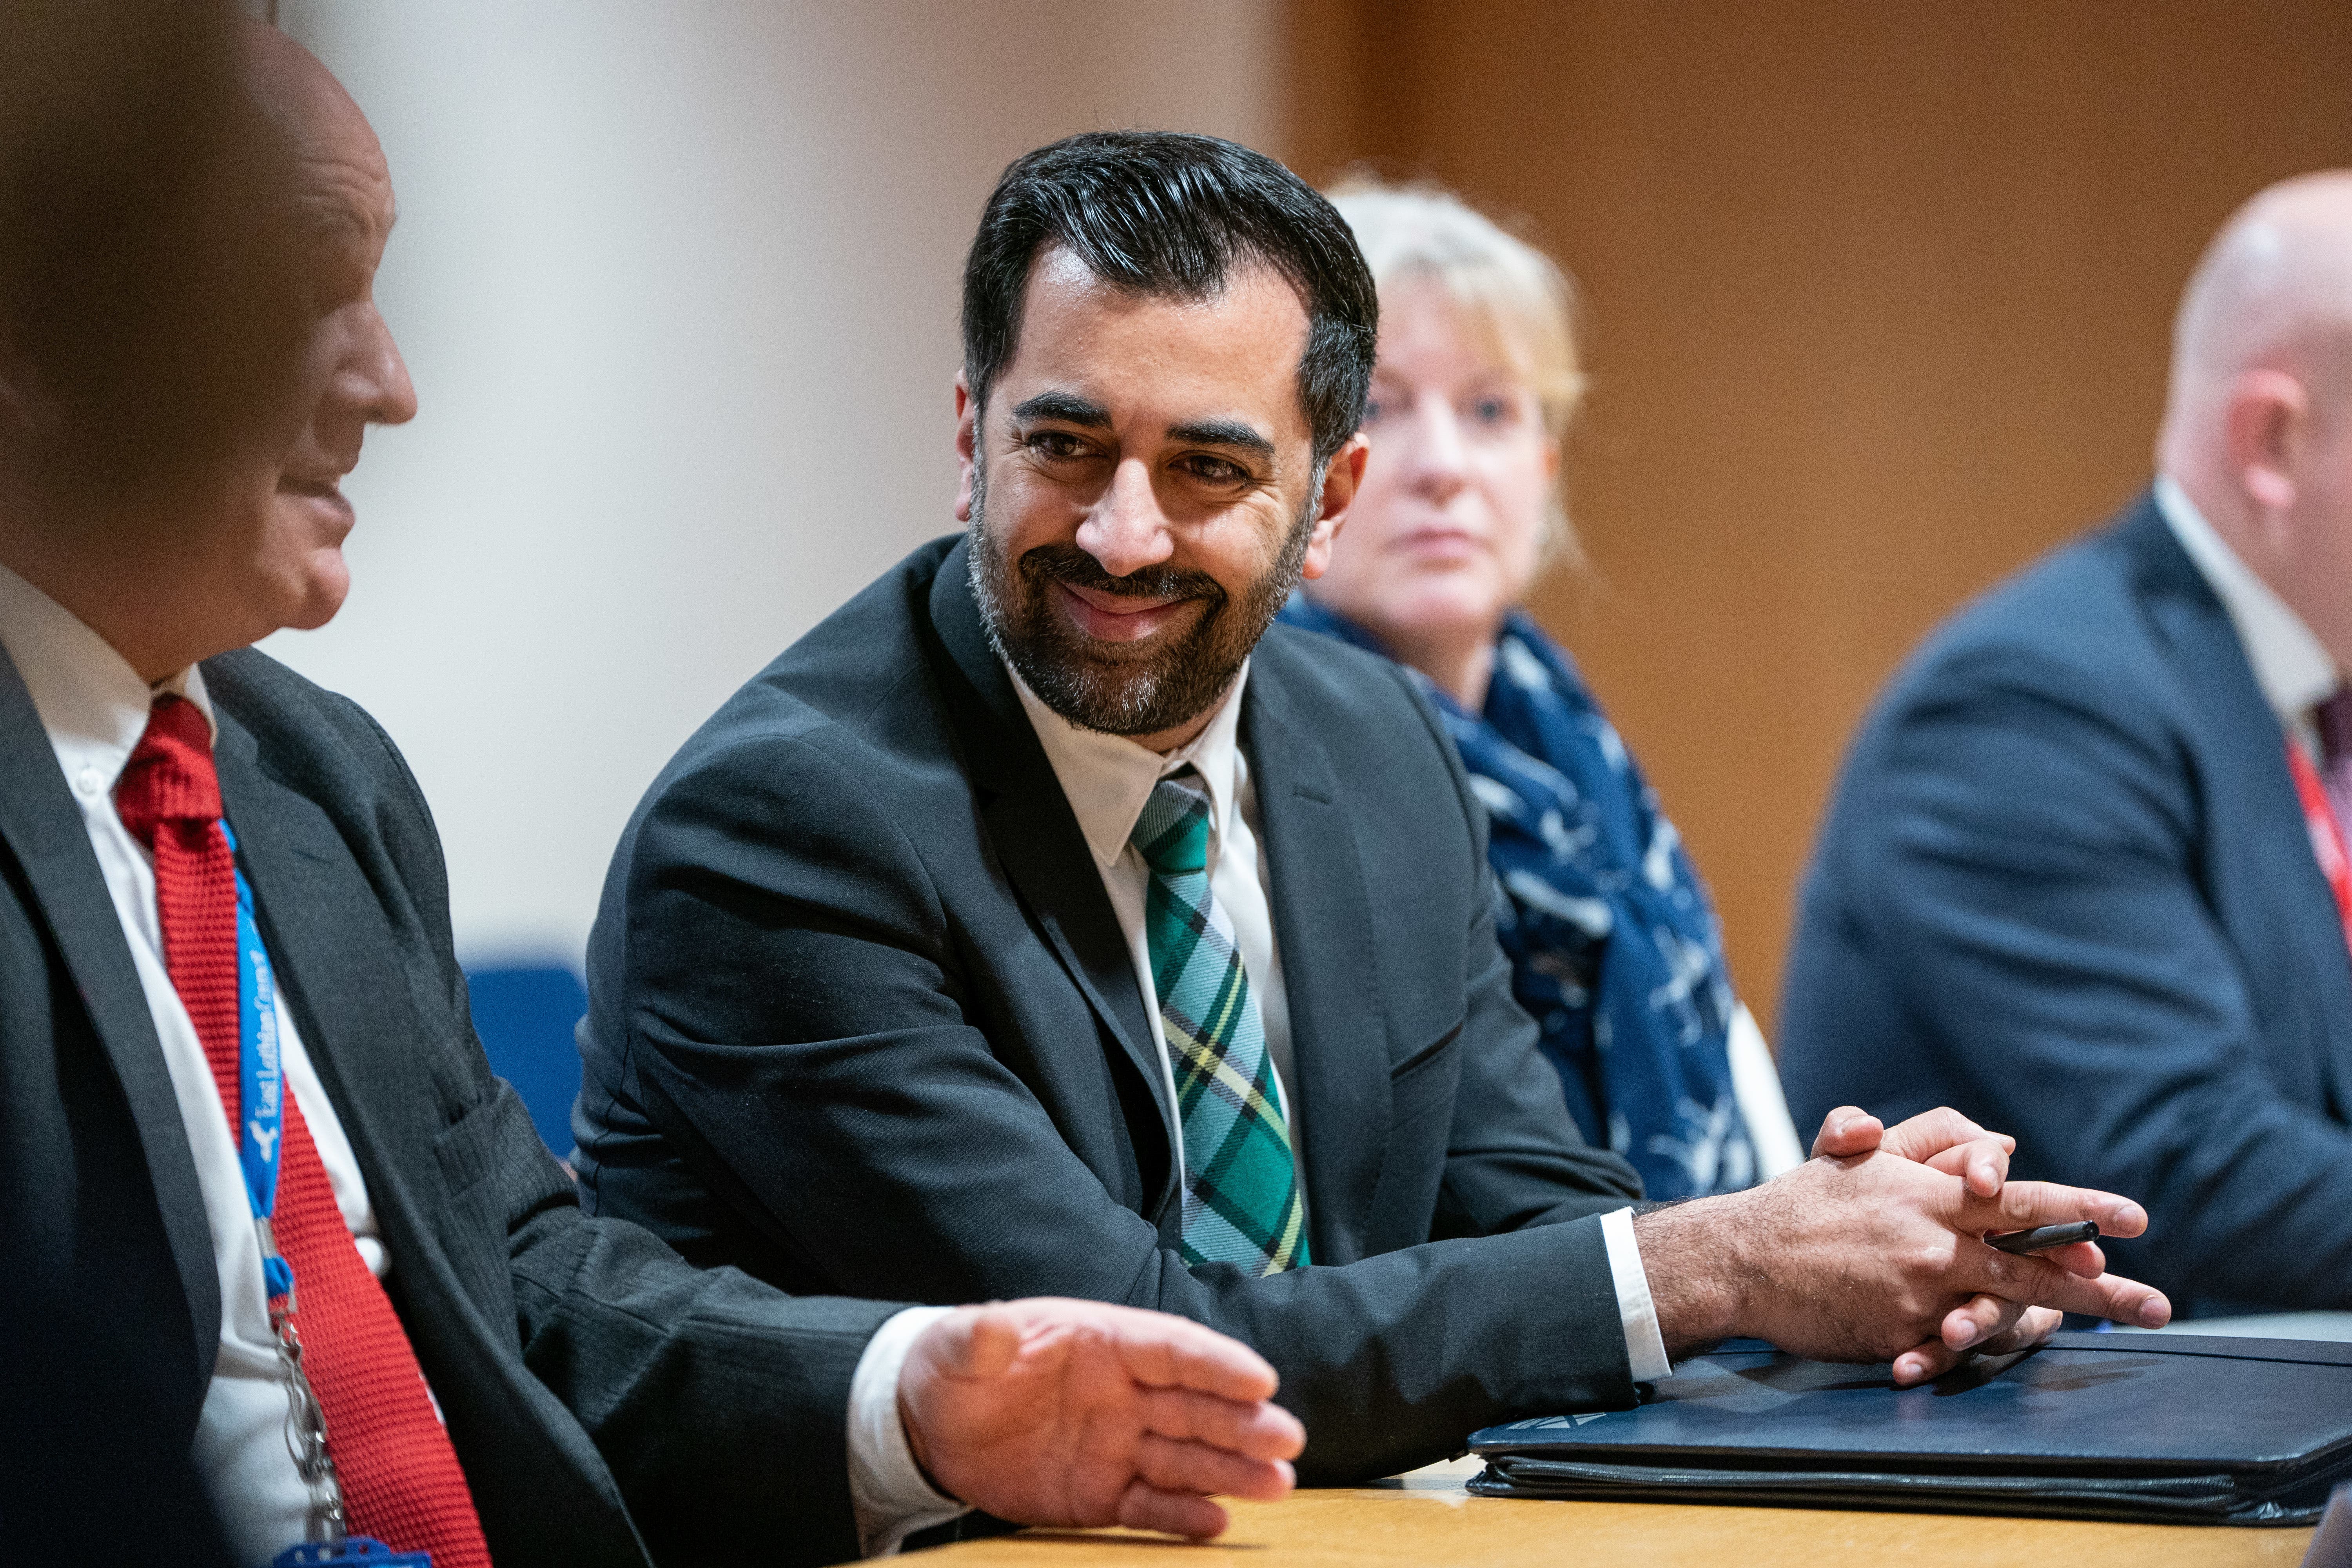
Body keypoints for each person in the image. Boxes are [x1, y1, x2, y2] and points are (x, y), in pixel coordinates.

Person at [573, 128, 2171, 1490]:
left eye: (1207, 469)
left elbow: (1534, 1206)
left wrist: (1863, 1244)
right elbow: (1140, 1352)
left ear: (1323, 502)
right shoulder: (782, 828)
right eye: (1063, 446)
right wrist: (1726, 1263)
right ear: (968, 437)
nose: (1123, 536)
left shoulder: (1382, 741)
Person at [0, 26, 1307, 1566]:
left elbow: (519, 1279)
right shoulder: (794, 806)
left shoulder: (311, 774)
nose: (393, 384)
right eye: (296, 290)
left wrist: (905, 1403)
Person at [1778, 172, 2352, 1320]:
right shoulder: (2028, 705)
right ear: (2275, 440)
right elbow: (2194, 1178)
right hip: (2024, 1447)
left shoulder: (2295, 689)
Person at [1276, 181, 1802, 1199]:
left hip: (1705, 1326)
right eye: (1375, 405)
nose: (1442, 467)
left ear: (1545, 465)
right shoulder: (1255, 750)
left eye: (1489, 410)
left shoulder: (1569, 746)